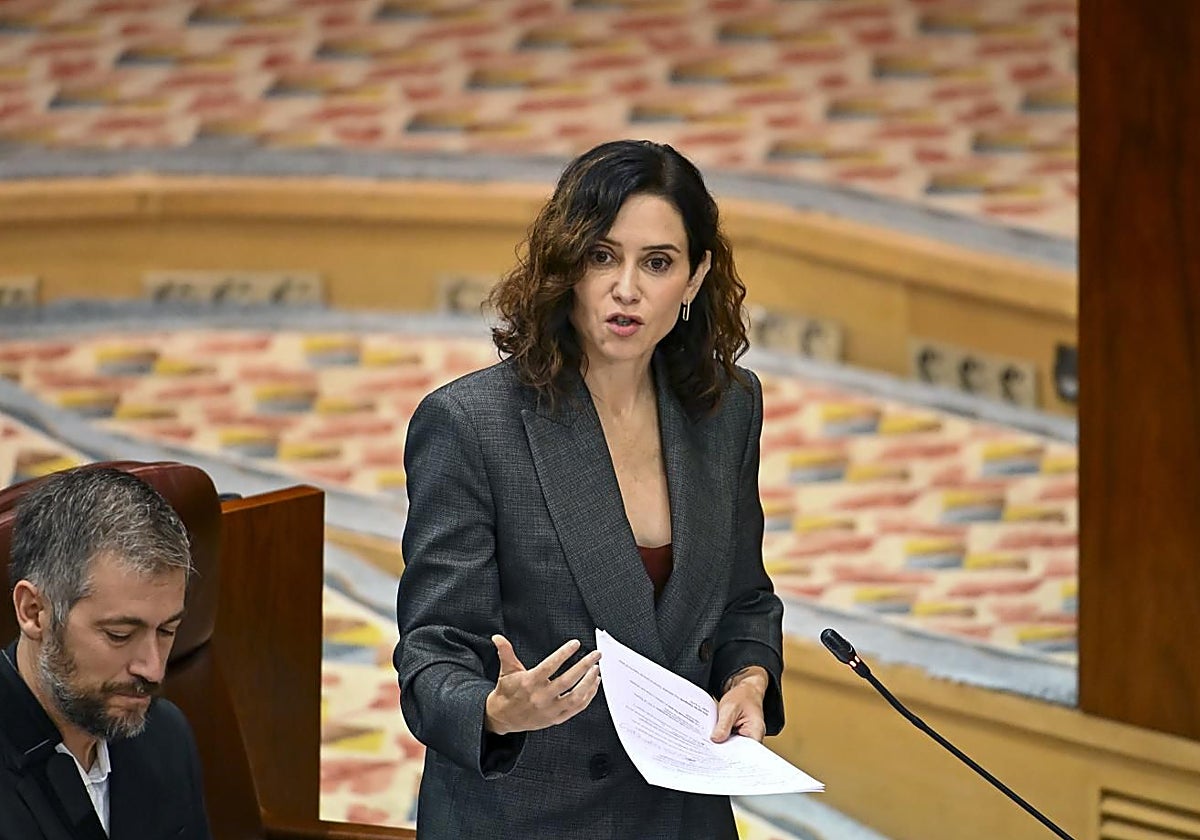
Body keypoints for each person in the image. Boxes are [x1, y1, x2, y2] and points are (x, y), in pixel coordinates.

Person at [394, 139, 784, 839]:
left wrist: (748, 679)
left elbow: (744, 600)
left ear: (694, 278)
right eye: (602, 256)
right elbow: (432, 652)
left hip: (680, 814)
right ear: (564, 264)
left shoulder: (727, 408)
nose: (626, 288)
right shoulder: (470, 425)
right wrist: (496, 709)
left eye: (657, 263)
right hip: (528, 816)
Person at [0, 467, 212, 840]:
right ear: (34, 612)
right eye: (120, 635)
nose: (153, 670)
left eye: (167, 631)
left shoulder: (166, 736)